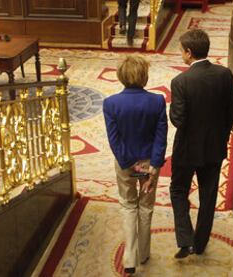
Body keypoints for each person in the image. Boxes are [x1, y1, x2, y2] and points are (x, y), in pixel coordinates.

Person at [169, 29, 233, 259]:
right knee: (208, 196)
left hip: (186, 149)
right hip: (214, 148)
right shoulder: (225, 74)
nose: (181, 55)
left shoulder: (180, 81)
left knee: (178, 191)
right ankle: (199, 244)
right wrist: (221, 137)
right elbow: (230, 114)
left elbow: (178, 120)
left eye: (181, 51)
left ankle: (185, 239)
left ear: (189, 53)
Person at [103, 54, 167, 275]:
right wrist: (154, 166)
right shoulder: (157, 101)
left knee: (129, 205)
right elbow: (161, 137)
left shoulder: (110, 103)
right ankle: (144, 253)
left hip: (125, 164)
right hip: (150, 164)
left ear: (121, 76)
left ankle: (129, 259)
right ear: (144, 76)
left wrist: (127, 163)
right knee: (146, 207)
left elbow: (114, 139)